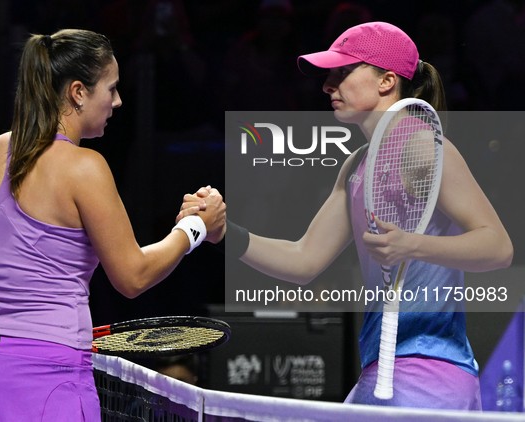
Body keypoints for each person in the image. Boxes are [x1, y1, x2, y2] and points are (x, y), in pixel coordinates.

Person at [182, 22, 513, 410]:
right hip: (380, 371)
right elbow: (304, 259)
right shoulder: (357, 163)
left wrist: (413, 245)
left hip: (431, 372)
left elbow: (498, 245)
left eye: (342, 73)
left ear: (387, 80)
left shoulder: (424, 145)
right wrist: (224, 233)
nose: (327, 85)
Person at [0, 29, 225, 421]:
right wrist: (194, 229)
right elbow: (132, 275)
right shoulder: (85, 168)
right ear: (78, 92)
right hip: (46, 380)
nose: (118, 101)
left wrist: (13, 305)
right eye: (111, 88)